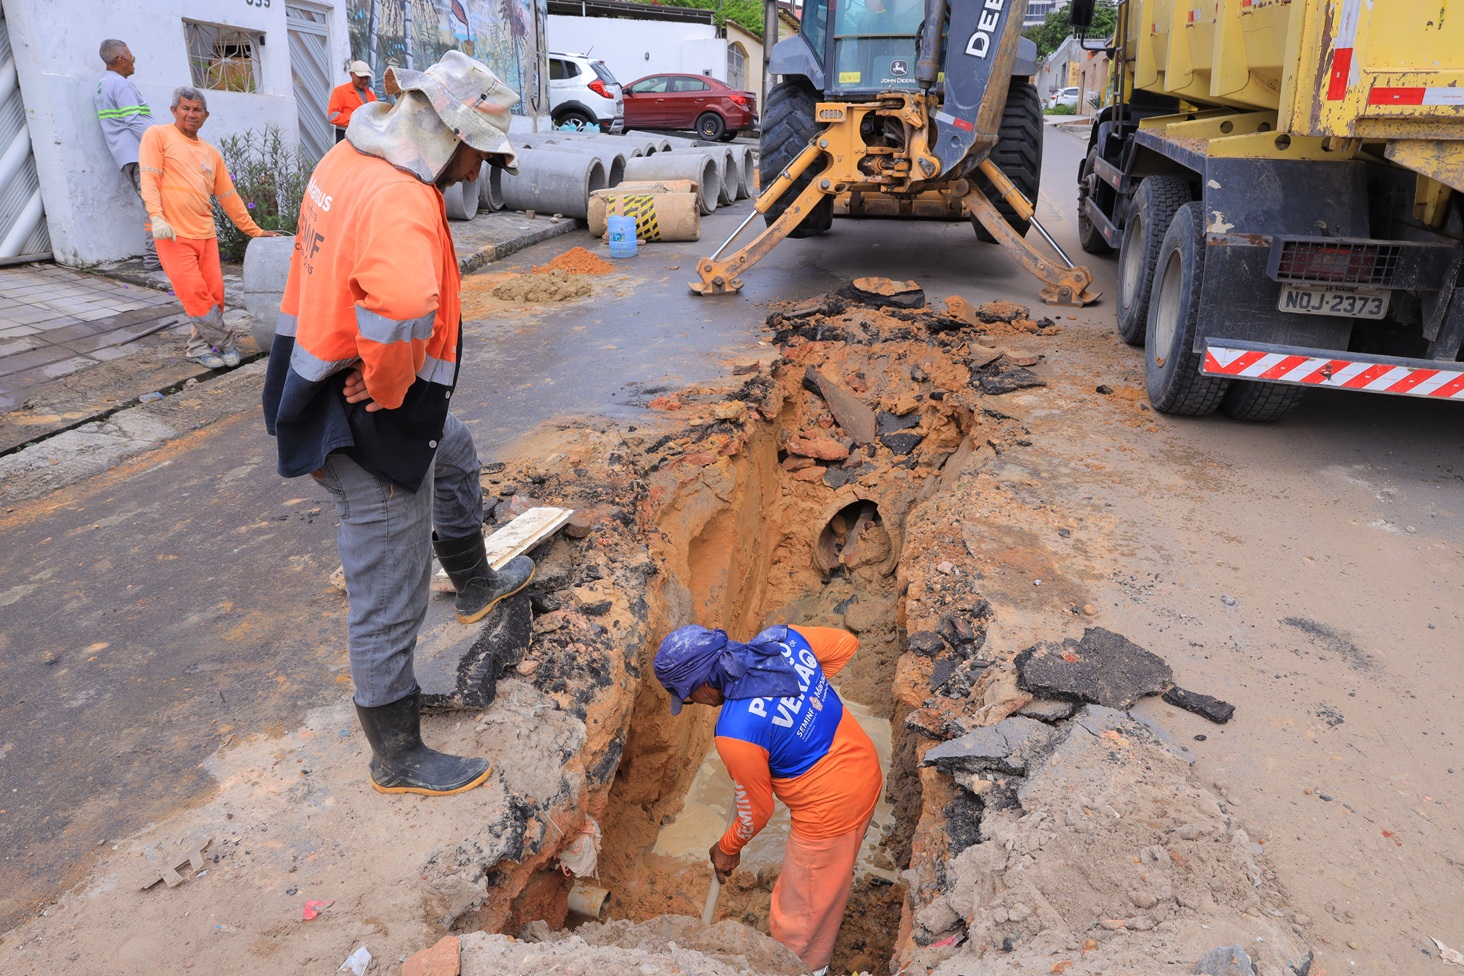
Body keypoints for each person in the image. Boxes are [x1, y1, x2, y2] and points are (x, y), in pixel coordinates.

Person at [261, 51, 533, 798]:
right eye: (479, 149)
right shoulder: (402, 199)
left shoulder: (350, 157)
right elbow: (407, 305)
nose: (480, 169)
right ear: (448, 131)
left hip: (321, 377)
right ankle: (397, 752)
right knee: (391, 590)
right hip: (363, 419)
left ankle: (476, 582)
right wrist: (385, 386)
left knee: (459, 454)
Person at [654, 623, 883, 975]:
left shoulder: (736, 733)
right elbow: (844, 644)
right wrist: (807, 695)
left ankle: (804, 969)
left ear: (700, 684)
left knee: (798, 922)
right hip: (863, 765)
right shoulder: (782, 641)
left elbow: (757, 813)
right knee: (829, 881)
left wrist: (727, 848)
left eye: (687, 697)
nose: (694, 704)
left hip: (830, 811)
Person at [139, 87, 284, 369]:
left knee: (215, 294)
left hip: (205, 234)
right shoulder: (157, 136)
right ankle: (227, 342)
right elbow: (150, 177)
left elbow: (229, 197)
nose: (191, 114)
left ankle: (197, 348)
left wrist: (253, 229)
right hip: (172, 233)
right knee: (195, 294)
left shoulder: (210, 153)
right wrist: (156, 216)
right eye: (185, 109)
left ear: (206, 116)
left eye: (197, 110)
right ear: (174, 111)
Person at [94, 38, 160, 271]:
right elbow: (134, 120)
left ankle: (157, 257)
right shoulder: (121, 85)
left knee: (153, 204)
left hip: (126, 156)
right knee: (155, 206)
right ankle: (154, 259)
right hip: (140, 154)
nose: (134, 61)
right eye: (131, 56)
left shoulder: (103, 84)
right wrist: (159, 146)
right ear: (120, 58)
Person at [327, 60, 378, 143]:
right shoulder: (340, 91)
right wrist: (356, 120)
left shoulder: (371, 95)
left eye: (366, 78)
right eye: (361, 77)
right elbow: (333, 116)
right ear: (351, 74)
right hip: (345, 136)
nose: (364, 81)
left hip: (366, 137)